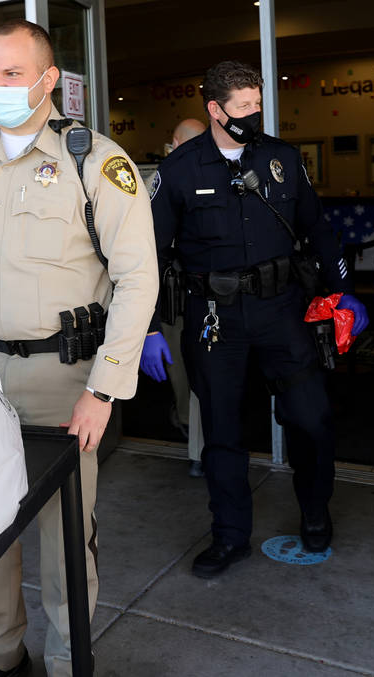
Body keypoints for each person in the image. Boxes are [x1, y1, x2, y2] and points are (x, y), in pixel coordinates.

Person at [0, 19, 157, 677]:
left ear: (48, 80)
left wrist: (104, 388)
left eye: (13, 74)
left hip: (63, 378)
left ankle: (70, 657)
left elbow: (138, 278)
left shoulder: (93, 160)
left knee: (67, 533)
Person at [144, 60, 369, 578]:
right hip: (214, 319)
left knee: (311, 419)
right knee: (222, 432)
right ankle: (229, 537)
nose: (253, 114)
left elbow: (319, 228)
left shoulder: (282, 160)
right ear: (214, 109)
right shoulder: (179, 171)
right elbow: (148, 255)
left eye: (257, 104)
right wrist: (149, 327)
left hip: (281, 311)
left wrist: (342, 292)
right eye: (243, 106)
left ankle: (315, 515)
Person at [143, 117, 208, 477]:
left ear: (174, 141)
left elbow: (150, 241)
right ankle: (203, 444)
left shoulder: (166, 176)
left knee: (181, 364)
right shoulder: (220, 173)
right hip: (215, 293)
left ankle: (188, 427)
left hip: (173, 290)